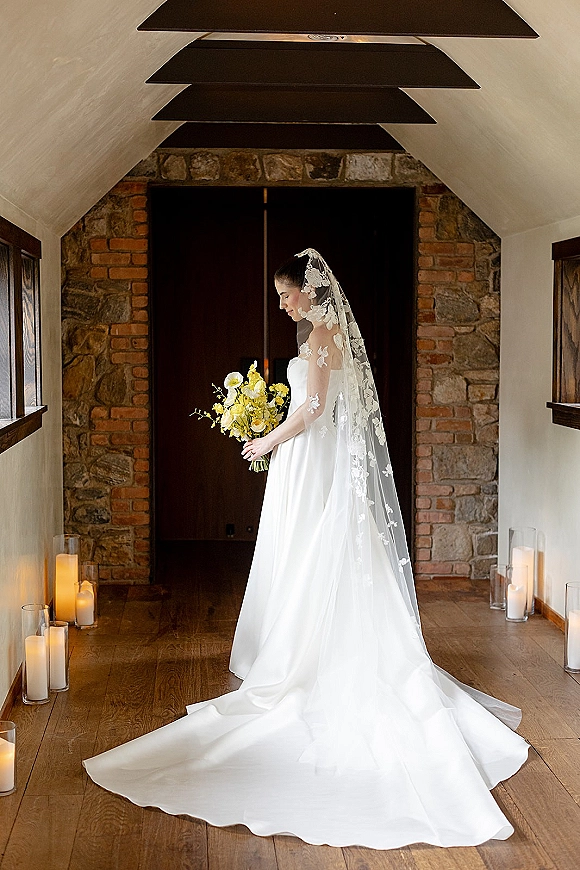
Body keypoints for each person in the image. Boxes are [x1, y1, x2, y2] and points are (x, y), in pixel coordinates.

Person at [84, 248, 529, 849]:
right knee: (311, 556)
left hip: (310, 459)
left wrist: (266, 438)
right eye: (280, 294)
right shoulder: (327, 332)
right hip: (315, 459)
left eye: (285, 292)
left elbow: (315, 408)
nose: (281, 301)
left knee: (311, 553)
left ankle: (307, 659)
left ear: (310, 289)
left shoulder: (321, 335)